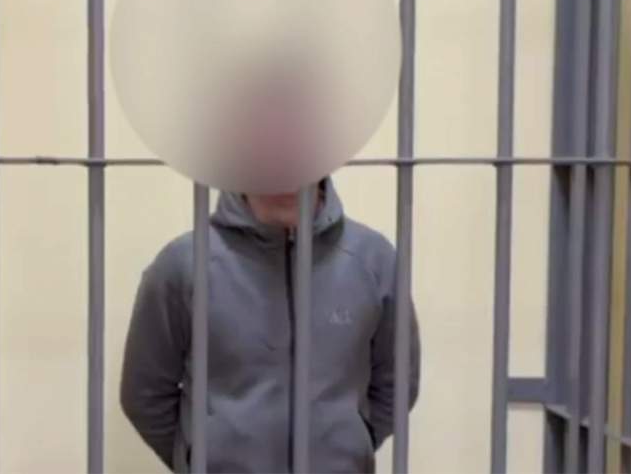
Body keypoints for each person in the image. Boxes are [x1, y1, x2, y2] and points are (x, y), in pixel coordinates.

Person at [120, 177, 420, 473]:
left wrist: (350, 449)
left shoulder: (373, 261)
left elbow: (397, 383)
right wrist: (196, 457)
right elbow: (145, 394)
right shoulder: (185, 264)